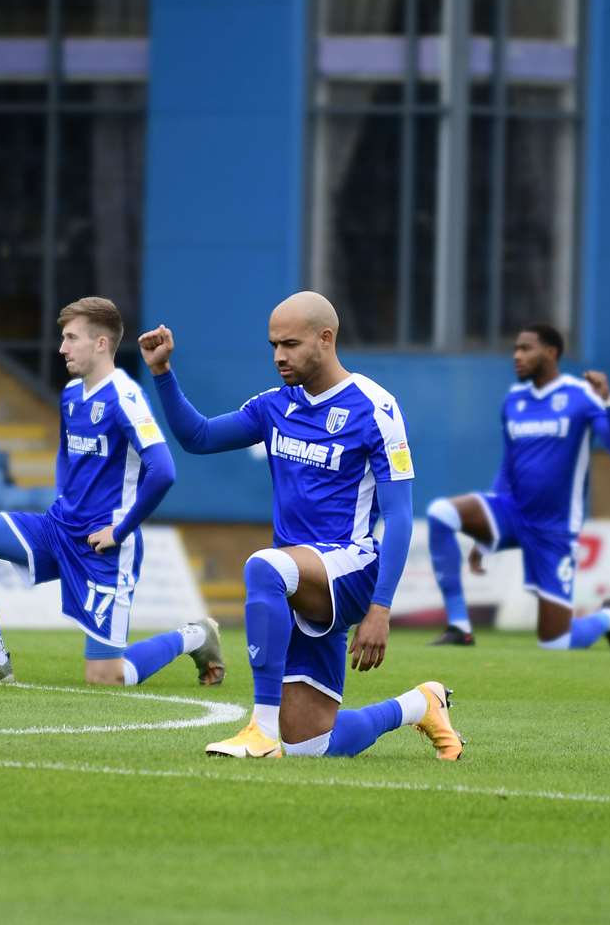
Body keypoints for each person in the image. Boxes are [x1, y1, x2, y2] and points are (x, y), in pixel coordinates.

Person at [140, 291, 463, 760]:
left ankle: (260, 729)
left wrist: (381, 609)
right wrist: (161, 373)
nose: (278, 356)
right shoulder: (276, 405)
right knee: (312, 742)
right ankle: (420, 704)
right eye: (273, 345)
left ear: (325, 339)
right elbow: (199, 437)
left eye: (289, 344)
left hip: (350, 568)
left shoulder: (376, 408)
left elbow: (397, 515)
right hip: (298, 581)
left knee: (263, 567)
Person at [0, 296, 223, 687]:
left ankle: (195, 635)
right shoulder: (73, 394)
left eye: (71, 338)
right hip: (58, 529)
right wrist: (63, 498)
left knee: (105, 677)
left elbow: (164, 471)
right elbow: (65, 452)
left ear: (101, 344)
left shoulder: (125, 399)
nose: (62, 348)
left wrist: (119, 532)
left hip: (101, 545)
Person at [425, 323, 610, 651]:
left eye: (526, 348)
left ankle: (607, 617)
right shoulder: (514, 400)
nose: (517, 356)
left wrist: (608, 401)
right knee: (441, 513)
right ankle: (460, 627)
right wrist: (484, 539)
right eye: (515, 349)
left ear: (551, 353)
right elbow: (508, 467)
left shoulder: (581, 396)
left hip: (554, 527)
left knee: (556, 643)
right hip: (511, 511)